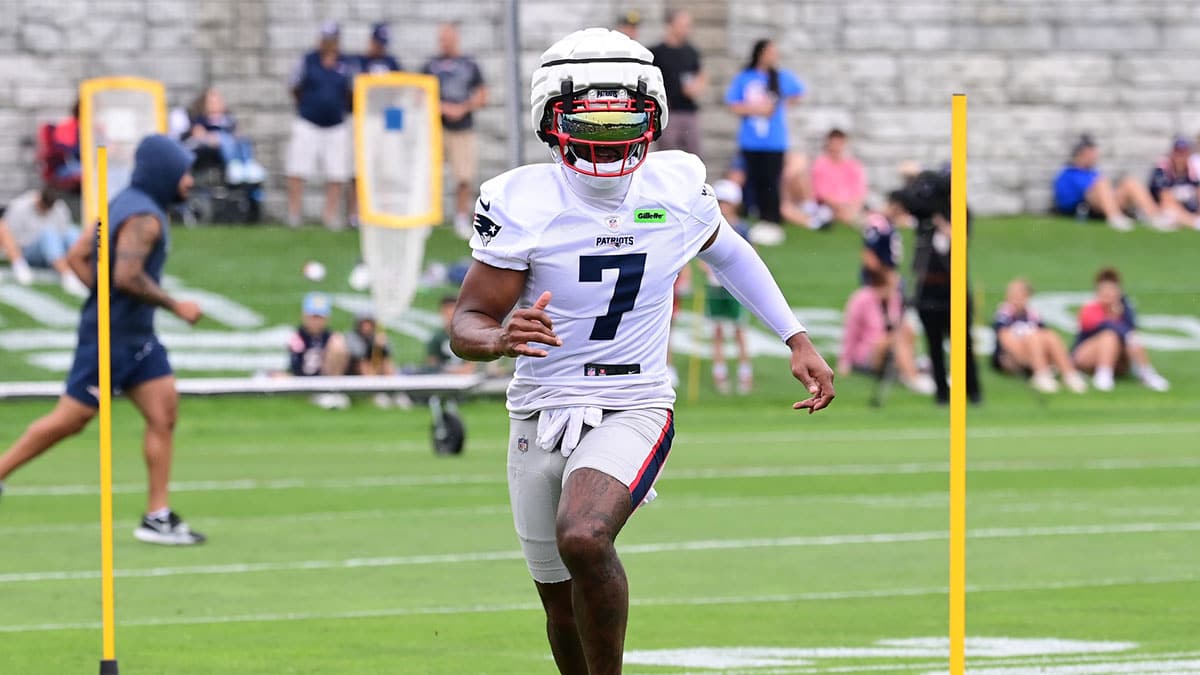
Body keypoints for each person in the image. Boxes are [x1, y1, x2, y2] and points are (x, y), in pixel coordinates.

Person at [449, 29, 835, 675]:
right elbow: (467, 319)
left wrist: (794, 335)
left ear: (651, 116)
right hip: (541, 404)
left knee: (584, 533)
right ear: (552, 119)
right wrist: (497, 336)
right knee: (559, 606)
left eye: (619, 120)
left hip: (634, 399)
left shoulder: (675, 186)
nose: (605, 138)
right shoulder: (523, 201)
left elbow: (730, 252)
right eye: (588, 124)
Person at [0, 135, 207, 545]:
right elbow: (126, 276)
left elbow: (78, 256)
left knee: (163, 412)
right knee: (70, 420)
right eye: (185, 173)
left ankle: (157, 517)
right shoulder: (144, 218)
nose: (190, 181)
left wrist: (103, 296)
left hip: (138, 337)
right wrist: (175, 305)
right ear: (164, 172)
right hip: (110, 339)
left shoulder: (123, 202)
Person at [895, 169, 982, 405]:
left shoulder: (960, 211)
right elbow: (903, 204)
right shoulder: (925, 214)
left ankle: (972, 390)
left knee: (962, 343)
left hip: (953, 286)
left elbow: (960, 240)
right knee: (933, 344)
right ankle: (941, 393)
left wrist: (941, 222)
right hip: (927, 286)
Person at [725, 39, 805, 237]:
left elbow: (798, 93)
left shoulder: (779, 77)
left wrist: (782, 104)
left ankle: (772, 219)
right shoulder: (745, 77)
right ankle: (757, 217)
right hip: (751, 140)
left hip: (774, 140)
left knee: (771, 180)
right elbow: (733, 104)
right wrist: (757, 110)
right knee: (754, 179)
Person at [423, 22, 488, 239]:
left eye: (448, 38)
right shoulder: (431, 65)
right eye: (441, 39)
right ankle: (429, 217)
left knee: (463, 176)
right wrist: (439, 107)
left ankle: (461, 216)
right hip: (436, 129)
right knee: (431, 175)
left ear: (455, 39)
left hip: (462, 129)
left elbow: (481, 95)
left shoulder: (469, 65)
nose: (444, 43)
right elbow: (419, 95)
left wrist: (462, 108)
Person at [286, 20, 353, 229]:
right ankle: (294, 214)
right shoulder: (308, 60)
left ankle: (329, 216)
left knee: (336, 173)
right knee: (297, 169)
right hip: (308, 121)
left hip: (335, 124)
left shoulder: (346, 64)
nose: (328, 43)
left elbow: (351, 91)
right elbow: (294, 86)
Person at [839, 267, 935, 395]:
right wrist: (845, 362)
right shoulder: (861, 299)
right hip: (868, 353)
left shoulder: (895, 298)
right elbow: (851, 332)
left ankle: (911, 370)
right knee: (894, 338)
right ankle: (914, 378)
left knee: (905, 330)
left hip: (892, 348)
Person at [1071, 267, 1169, 392]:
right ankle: (1103, 375)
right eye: (1104, 289)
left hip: (1119, 360)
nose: (1108, 293)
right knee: (1109, 336)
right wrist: (1118, 322)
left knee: (1132, 337)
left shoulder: (1125, 307)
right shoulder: (1090, 308)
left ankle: (1147, 374)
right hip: (1086, 357)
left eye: (1112, 289)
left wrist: (1122, 314)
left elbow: (1132, 327)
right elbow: (1104, 326)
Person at [1052, 134, 1172, 232]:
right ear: (1082, 154)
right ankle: (1115, 218)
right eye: (1091, 153)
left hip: (1103, 204)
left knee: (1130, 182)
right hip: (1084, 208)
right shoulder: (1068, 174)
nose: (1095, 156)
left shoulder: (1092, 173)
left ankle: (1155, 217)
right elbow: (1065, 201)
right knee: (1101, 183)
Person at [992, 278, 1088, 394]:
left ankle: (1069, 374)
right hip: (1013, 357)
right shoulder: (1004, 313)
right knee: (1033, 336)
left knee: (1050, 336)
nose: (1015, 297)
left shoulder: (1032, 314)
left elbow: (1044, 335)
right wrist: (1025, 359)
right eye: (1013, 294)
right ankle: (1041, 374)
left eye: (1019, 294)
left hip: (1036, 351)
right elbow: (1005, 338)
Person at [703, 180, 753, 394]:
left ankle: (744, 373)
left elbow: (751, 254)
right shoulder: (708, 224)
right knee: (718, 330)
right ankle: (720, 372)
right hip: (715, 285)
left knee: (739, 329)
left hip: (735, 285)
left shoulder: (741, 228)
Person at [0, 186, 88, 295]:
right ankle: (68, 276)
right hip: (27, 252)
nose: (45, 210)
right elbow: (7, 235)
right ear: (38, 199)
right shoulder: (20, 207)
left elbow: (64, 233)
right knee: (48, 234)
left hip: (56, 250)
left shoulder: (59, 208)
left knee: (72, 231)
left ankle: (86, 270)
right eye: (43, 206)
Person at [649, 9, 705, 156]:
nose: (687, 29)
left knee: (694, 156)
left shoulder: (691, 51)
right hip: (668, 113)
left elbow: (701, 74)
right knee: (668, 156)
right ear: (670, 25)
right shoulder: (656, 52)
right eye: (683, 25)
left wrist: (696, 87)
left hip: (689, 111)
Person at [188, 87, 266, 185]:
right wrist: (210, 137)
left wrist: (237, 136)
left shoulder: (227, 118)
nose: (215, 104)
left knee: (244, 140)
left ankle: (247, 163)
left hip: (230, 142)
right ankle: (233, 164)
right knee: (224, 139)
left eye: (218, 101)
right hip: (213, 145)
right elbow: (198, 134)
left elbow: (236, 131)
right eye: (212, 102)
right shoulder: (201, 119)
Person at [287, 292, 352, 409]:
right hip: (304, 379)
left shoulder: (331, 337)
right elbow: (295, 366)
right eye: (313, 317)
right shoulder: (298, 337)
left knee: (338, 343)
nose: (316, 321)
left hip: (325, 377)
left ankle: (333, 390)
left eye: (319, 317)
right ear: (305, 316)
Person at [810, 128, 867, 226]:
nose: (836, 147)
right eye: (833, 144)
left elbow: (860, 192)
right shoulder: (820, 165)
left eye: (839, 143)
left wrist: (852, 207)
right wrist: (840, 207)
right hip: (828, 207)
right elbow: (821, 194)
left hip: (850, 206)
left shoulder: (853, 165)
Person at [1148, 137, 1200, 231]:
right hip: (1163, 211)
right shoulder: (1163, 169)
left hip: (1187, 212)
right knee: (1169, 207)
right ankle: (1194, 223)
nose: (1180, 157)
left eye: (1183, 153)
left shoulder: (1193, 169)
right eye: (1178, 152)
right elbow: (1165, 198)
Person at [859, 194, 905, 286]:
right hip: (877, 276)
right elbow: (868, 254)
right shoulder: (878, 223)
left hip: (887, 272)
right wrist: (882, 274)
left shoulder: (888, 223)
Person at [427, 295, 477, 375]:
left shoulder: (468, 336)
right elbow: (432, 364)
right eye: (446, 312)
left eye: (452, 311)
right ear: (442, 312)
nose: (449, 315)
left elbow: (471, 366)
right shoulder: (436, 338)